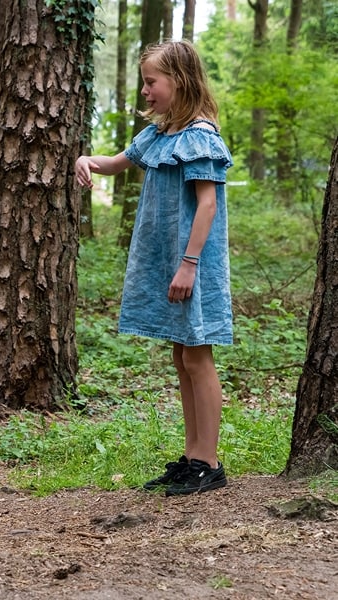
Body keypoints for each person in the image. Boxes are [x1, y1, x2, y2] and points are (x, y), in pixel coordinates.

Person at [75, 40, 233, 496]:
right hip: (170, 262)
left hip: (192, 263)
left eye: (151, 82)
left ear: (179, 81)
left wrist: (187, 265)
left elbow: (206, 206)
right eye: (144, 81)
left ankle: (209, 461)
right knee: (181, 355)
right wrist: (88, 160)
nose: (145, 90)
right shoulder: (162, 133)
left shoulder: (200, 135)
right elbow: (118, 163)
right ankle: (191, 457)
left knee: (198, 356)